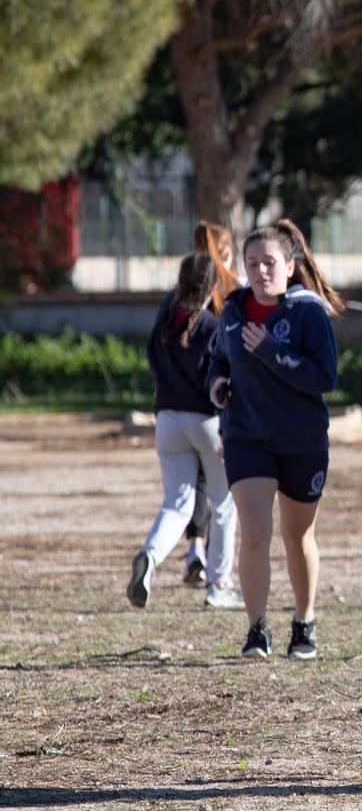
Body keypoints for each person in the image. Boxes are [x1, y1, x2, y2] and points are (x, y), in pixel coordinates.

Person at [206, 220, 342, 661]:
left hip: (302, 440)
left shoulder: (308, 312)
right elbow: (217, 359)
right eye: (252, 263)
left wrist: (271, 352)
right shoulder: (233, 311)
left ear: (289, 266)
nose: (260, 271)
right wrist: (217, 382)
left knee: (297, 536)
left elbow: (324, 377)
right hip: (246, 437)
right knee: (255, 532)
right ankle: (256, 628)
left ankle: (303, 623)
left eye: (269, 262)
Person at [128, 252, 242, 611]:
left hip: (168, 421)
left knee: (176, 504)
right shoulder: (211, 325)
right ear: (213, 287)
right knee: (223, 502)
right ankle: (219, 583)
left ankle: (150, 556)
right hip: (206, 421)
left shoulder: (166, 318)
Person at [179, 221, 239, 587]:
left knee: (196, 483)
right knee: (225, 492)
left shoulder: (186, 290)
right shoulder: (233, 293)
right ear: (228, 252)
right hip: (219, 403)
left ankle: (194, 550)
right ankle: (219, 576)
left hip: (182, 401)